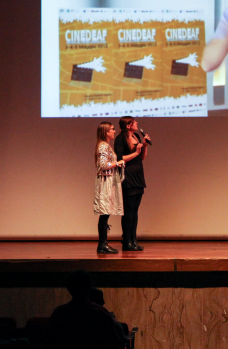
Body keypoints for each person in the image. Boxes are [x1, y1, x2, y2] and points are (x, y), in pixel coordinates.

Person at [46, 270, 126, 349]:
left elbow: (49, 340)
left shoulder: (59, 313)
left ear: (69, 288)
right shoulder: (100, 313)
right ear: (89, 288)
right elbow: (115, 341)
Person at [114, 116, 151, 252]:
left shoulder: (136, 135)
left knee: (135, 210)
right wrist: (135, 152)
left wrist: (145, 146)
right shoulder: (120, 139)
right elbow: (120, 158)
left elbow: (142, 157)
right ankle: (126, 241)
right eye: (134, 122)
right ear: (128, 125)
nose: (136, 124)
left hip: (138, 175)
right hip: (127, 176)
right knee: (128, 210)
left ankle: (133, 239)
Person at [94, 122, 125, 254]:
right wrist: (117, 163)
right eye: (112, 129)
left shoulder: (106, 146)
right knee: (104, 213)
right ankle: (102, 244)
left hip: (109, 180)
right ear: (106, 132)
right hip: (105, 181)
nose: (114, 131)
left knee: (106, 213)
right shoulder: (103, 146)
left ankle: (103, 243)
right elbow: (102, 165)